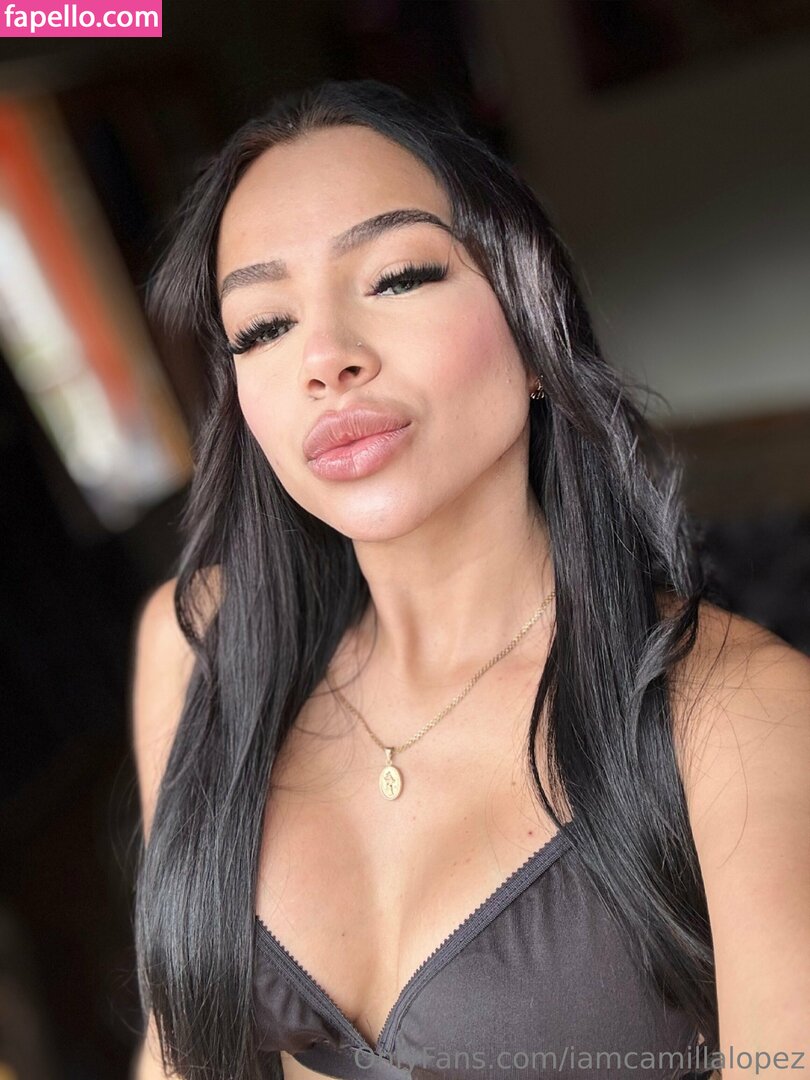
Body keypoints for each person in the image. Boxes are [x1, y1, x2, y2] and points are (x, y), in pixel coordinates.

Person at [129, 79, 809, 1080]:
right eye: (263, 327)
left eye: (398, 277)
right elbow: (174, 1053)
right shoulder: (202, 649)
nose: (325, 359)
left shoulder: (736, 713)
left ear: (533, 326)